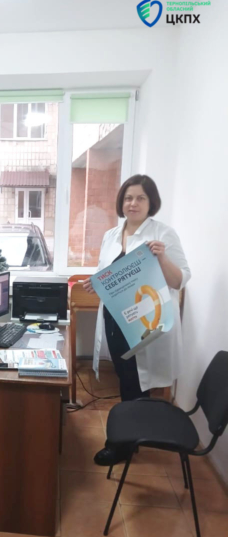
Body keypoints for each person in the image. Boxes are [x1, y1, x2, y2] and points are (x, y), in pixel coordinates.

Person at [83, 174, 191, 466]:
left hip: (145, 324)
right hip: (116, 321)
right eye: (128, 197)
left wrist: (162, 258)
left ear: (150, 202)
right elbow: (110, 276)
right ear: (121, 202)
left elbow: (180, 280)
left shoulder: (163, 234)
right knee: (127, 379)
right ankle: (132, 438)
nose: (133, 203)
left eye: (140, 198)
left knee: (136, 383)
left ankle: (123, 444)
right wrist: (96, 283)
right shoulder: (111, 235)